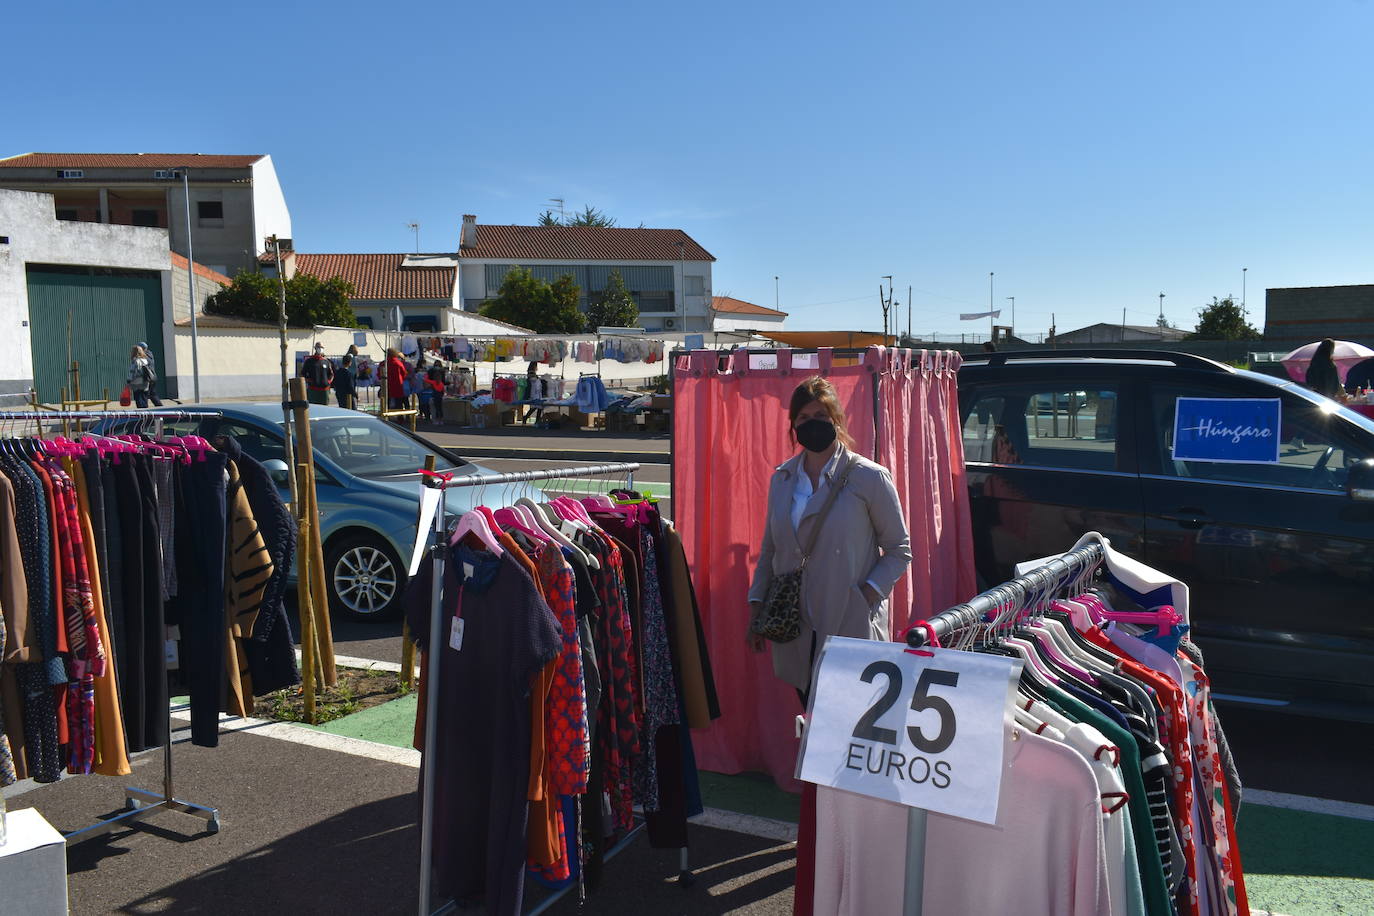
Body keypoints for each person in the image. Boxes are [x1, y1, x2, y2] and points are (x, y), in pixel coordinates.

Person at [747, 376, 913, 706]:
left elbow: (898, 549)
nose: (813, 425)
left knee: (847, 719)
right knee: (809, 713)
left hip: (846, 621)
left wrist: (863, 596)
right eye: (804, 418)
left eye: (821, 417)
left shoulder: (868, 477)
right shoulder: (783, 479)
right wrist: (757, 607)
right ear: (793, 424)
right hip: (794, 624)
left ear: (836, 420)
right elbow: (770, 549)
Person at [385, 347, 408, 419]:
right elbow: (404, 373)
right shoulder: (398, 363)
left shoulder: (384, 363)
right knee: (399, 403)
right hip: (398, 385)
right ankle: (400, 418)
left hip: (386, 385)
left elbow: (379, 374)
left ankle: (386, 417)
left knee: (386, 402)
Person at [427, 358, 448, 424]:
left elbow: (428, 378)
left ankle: (437, 419)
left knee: (436, 406)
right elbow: (444, 381)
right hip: (439, 390)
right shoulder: (442, 372)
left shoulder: (431, 372)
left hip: (435, 390)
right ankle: (440, 419)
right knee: (439, 406)